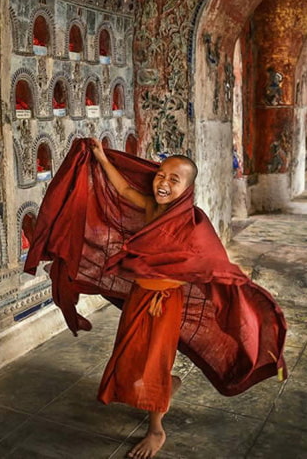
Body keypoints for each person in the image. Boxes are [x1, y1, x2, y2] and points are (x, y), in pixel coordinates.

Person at [24, 138, 287, 459]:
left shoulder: (194, 224)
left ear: (187, 188)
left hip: (164, 304)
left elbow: (209, 266)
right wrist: (102, 159)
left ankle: (156, 429)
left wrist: (185, 289)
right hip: (139, 297)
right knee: (130, 356)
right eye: (161, 175)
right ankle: (166, 385)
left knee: (152, 363)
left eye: (173, 180)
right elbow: (123, 191)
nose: (163, 182)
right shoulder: (152, 208)